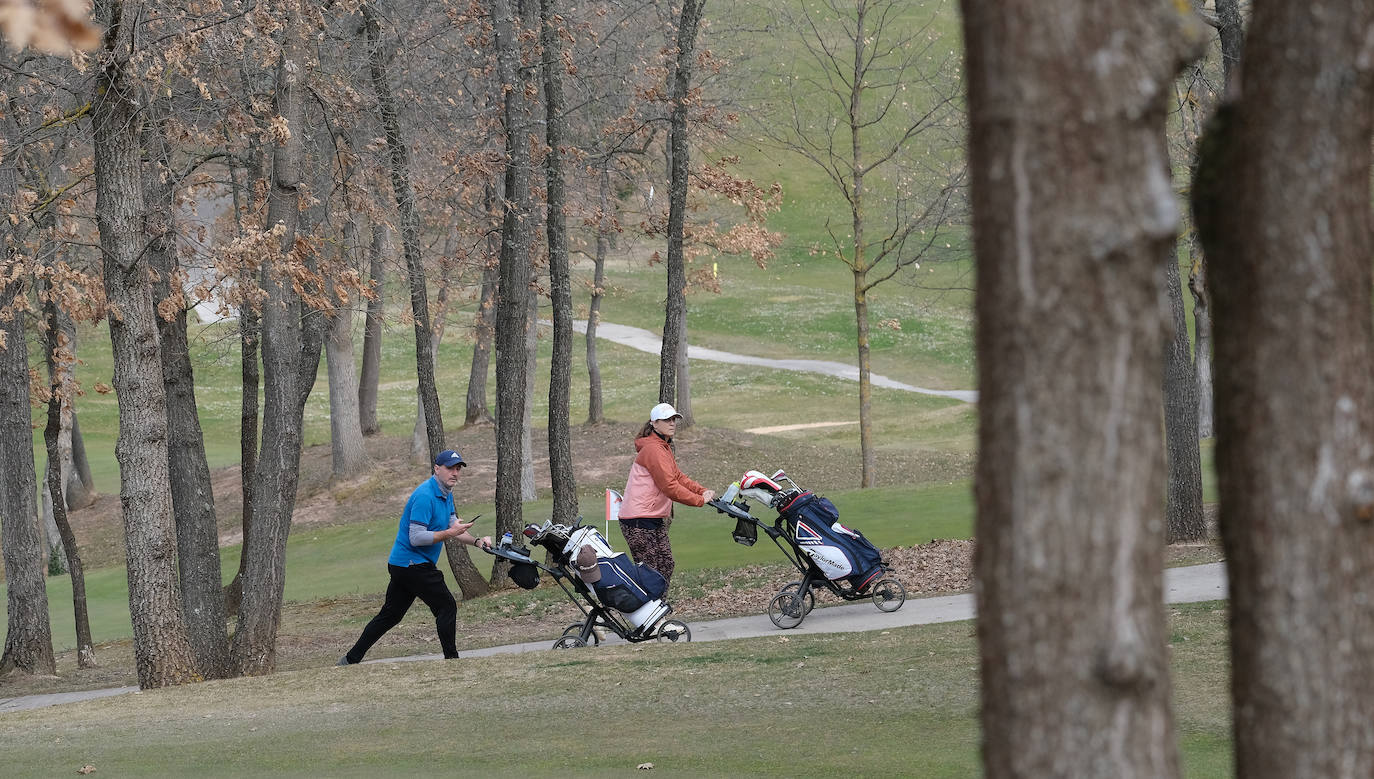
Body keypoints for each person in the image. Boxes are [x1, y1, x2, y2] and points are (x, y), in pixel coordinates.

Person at [338, 449, 492, 665]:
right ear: (436, 469)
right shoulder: (424, 496)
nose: (455, 473)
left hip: (404, 565)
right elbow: (416, 537)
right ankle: (453, 661)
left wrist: (477, 542)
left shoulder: (446, 493)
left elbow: (453, 525)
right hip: (412, 564)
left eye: (458, 469)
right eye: (450, 468)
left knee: (391, 615)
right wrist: (450, 533)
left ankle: (350, 659)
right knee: (446, 606)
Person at [617, 403, 715, 587]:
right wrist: (699, 500)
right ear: (654, 423)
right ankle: (647, 605)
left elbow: (677, 476)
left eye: (673, 419)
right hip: (638, 519)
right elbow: (669, 487)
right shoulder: (653, 449)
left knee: (666, 565)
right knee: (650, 571)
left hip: (651, 517)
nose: (672, 423)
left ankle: (657, 603)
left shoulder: (663, 447)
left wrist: (701, 490)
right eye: (666, 420)